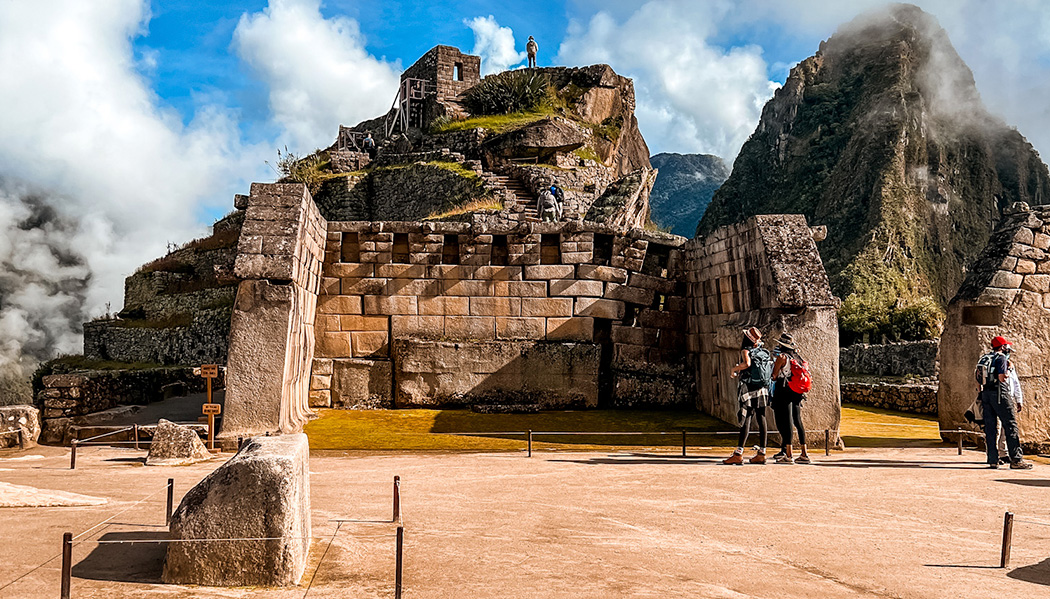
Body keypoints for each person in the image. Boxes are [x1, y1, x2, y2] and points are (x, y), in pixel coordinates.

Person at [977, 336, 1032, 469]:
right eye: (1006, 346)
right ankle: (1016, 460)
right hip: (1000, 394)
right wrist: (1009, 370)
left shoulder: (984, 358)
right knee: (1011, 426)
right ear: (1002, 347)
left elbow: (978, 380)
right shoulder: (1001, 358)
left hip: (986, 394)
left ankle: (992, 460)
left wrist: (981, 394)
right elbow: (1002, 378)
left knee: (990, 428)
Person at [724, 327, 772, 465]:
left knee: (746, 417)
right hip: (762, 389)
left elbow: (747, 364)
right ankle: (762, 452)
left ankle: (738, 453)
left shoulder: (746, 350)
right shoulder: (762, 351)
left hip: (749, 389)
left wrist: (734, 369)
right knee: (762, 417)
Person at [770, 333, 811, 464]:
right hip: (797, 392)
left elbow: (774, 375)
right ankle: (804, 453)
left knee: (787, 421)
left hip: (785, 390)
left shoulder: (782, 357)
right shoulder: (798, 357)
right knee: (798, 421)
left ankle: (788, 454)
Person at [995, 360, 1024, 464]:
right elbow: (1004, 378)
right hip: (998, 397)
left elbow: (1016, 383)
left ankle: (1003, 453)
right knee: (997, 428)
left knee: (1006, 427)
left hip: (1009, 398)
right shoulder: (997, 363)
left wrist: (1019, 400)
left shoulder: (1011, 365)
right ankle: (994, 454)